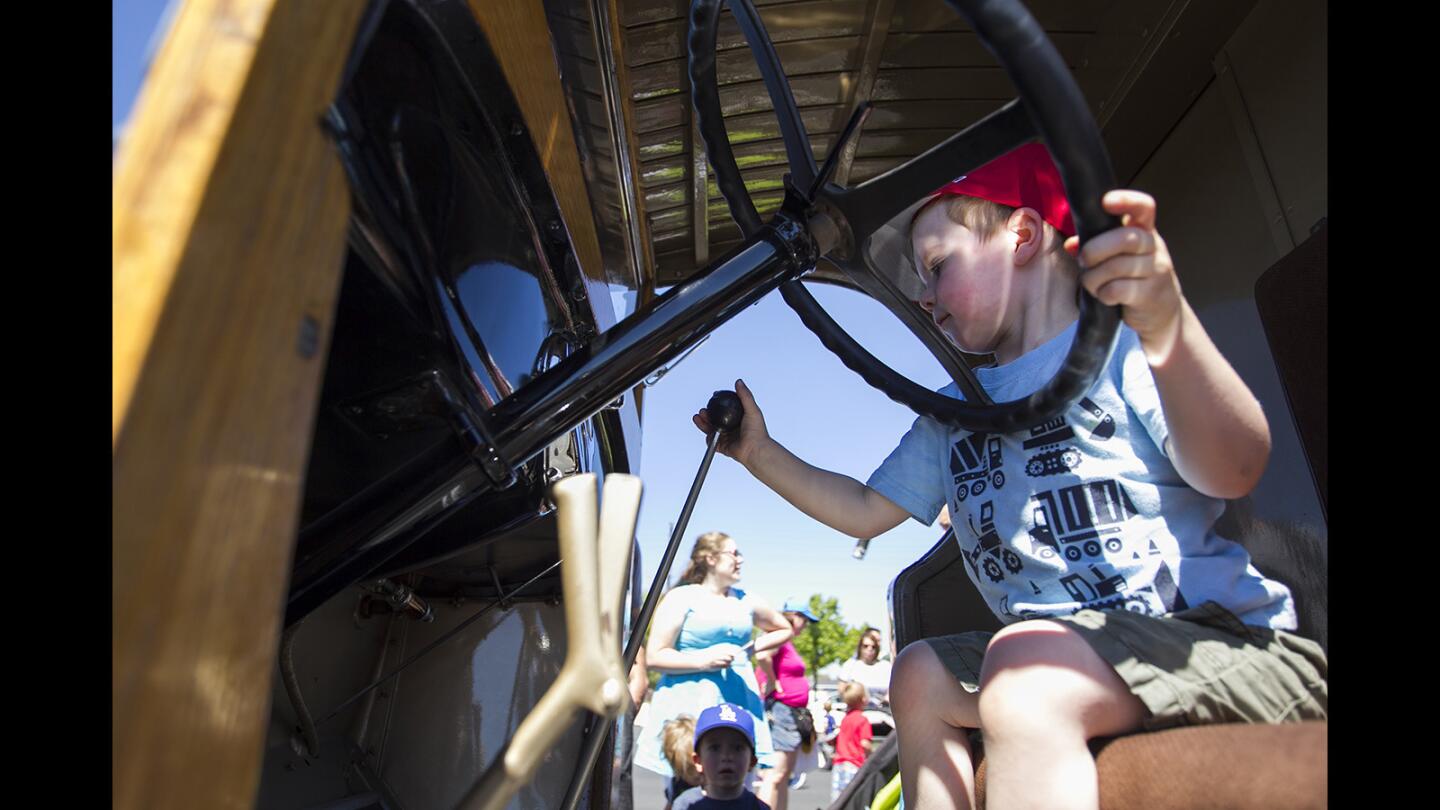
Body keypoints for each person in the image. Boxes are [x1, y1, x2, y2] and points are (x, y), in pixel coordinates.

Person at [693, 142, 1328, 810]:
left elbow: (1235, 466)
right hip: (1060, 657)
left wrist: (1168, 325)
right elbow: (861, 508)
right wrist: (759, 454)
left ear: (1022, 234)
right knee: (918, 674)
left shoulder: (1120, 350)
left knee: (1024, 673)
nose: (927, 299)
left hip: (1209, 643)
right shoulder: (954, 412)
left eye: (938, 268)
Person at [634, 532, 793, 791]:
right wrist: (703, 660)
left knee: (734, 791)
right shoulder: (682, 597)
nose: (740, 560)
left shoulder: (747, 599)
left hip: (737, 700)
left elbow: (783, 628)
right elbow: (654, 656)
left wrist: (749, 650)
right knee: (687, 791)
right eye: (734, 553)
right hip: (687, 705)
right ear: (710, 558)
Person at [753, 599, 819, 810]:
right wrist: (773, 681)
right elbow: (762, 655)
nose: (805, 626)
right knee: (774, 775)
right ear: (795, 617)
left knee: (782, 776)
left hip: (790, 713)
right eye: (805, 620)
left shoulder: (786, 641)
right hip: (782, 711)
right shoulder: (779, 637)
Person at [672, 702, 771, 810]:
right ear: (698, 761)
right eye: (715, 748)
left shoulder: (758, 807)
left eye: (737, 748)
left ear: (752, 761)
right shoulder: (686, 805)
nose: (726, 756)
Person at [830, 682, 872, 803]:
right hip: (854, 764)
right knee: (853, 800)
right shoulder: (862, 719)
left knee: (838, 799)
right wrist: (871, 756)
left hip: (839, 764)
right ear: (863, 699)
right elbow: (865, 743)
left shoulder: (846, 718)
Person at [836, 627, 891, 711]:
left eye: (873, 647)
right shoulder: (850, 665)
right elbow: (842, 690)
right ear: (860, 647)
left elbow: (892, 690)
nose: (869, 649)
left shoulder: (886, 666)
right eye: (865, 646)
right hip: (857, 713)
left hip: (883, 712)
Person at [662, 715, 703, 809]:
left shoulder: (712, 785)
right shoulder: (677, 785)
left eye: (698, 763)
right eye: (688, 770)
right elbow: (670, 804)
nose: (696, 775)